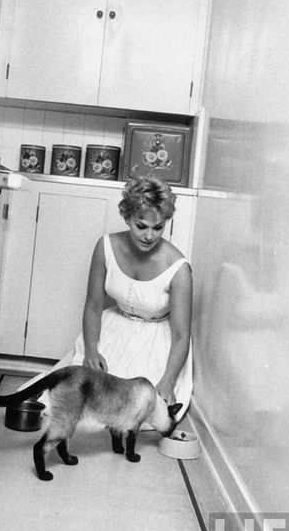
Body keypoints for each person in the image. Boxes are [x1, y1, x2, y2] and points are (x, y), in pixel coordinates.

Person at [22, 175, 193, 420]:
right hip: (113, 329)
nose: (149, 236)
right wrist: (91, 350)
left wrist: (168, 380)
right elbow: (93, 305)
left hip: (156, 344)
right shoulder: (105, 246)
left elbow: (181, 335)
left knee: (136, 412)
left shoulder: (179, 268)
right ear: (127, 217)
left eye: (158, 228)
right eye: (141, 226)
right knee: (67, 400)